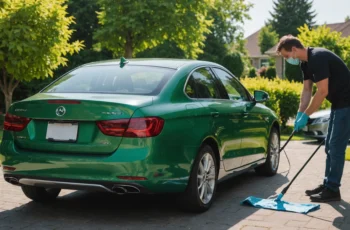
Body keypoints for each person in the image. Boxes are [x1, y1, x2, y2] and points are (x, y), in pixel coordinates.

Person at [276, 35, 350, 202]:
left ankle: (332, 190)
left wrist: (307, 116)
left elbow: (322, 91)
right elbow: (307, 91)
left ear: (294, 49)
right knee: (329, 147)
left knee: (336, 147)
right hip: (339, 104)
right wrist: (300, 114)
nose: (287, 60)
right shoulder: (306, 64)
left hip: (347, 104)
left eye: (286, 56)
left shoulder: (318, 57)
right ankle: (327, 185)